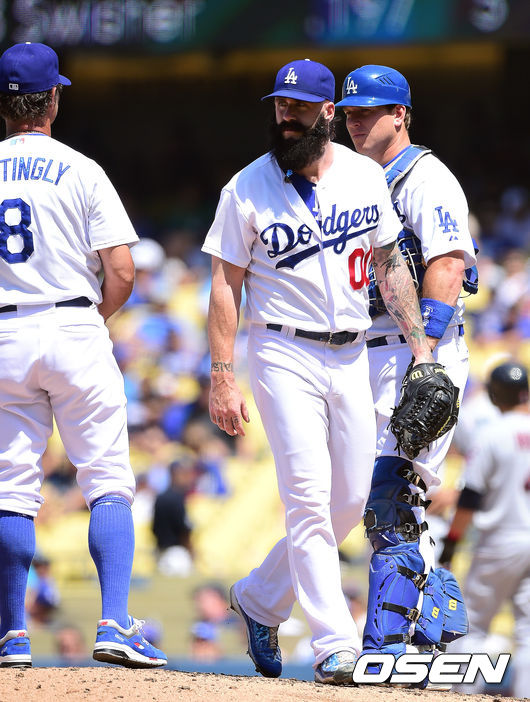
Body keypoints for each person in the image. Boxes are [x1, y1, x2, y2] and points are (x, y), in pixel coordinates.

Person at [201, 58, 437, 685]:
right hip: (281, 351)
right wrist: (222, 374)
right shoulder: (245, 188)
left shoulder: (363, 175)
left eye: (300, 107)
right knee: (306, 497)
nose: (286, 117)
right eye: (280, 106)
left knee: (350, 500)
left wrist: (421, 348)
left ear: (328, 112)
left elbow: (389, 263)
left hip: (353, 350)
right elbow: (224, 284)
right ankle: (334, 644)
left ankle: (260, 598)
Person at [0, 42, 166, 669]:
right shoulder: (81, 169)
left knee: (10, 488)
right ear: (53, 99)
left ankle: (11, 634)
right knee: (107, 479)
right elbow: (121, 271)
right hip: (72, 321)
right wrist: (92, 319)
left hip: (4, 330)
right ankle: (115, 622)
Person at [335, 65, 477, 669]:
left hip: (415, 350)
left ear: (400, 115)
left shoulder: (424, 176)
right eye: (349, 112)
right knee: (363, 497)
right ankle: (430, 609)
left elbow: (446, 264)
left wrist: (427, 356)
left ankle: (390, 643)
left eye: (368, 112)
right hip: (362, 348)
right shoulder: (351, 178)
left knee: (392, 493)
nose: (355, 121)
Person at [440, 361, 530, 699]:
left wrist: (451, 544)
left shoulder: (491, 433)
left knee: (473, 624)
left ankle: (464, 694)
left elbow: (471, 497)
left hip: (500, 540)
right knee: (528, 631)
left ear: (493, 395)